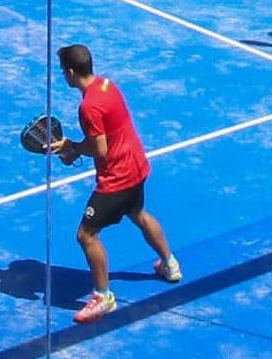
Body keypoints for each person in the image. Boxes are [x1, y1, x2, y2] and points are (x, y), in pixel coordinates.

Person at [48, 44, 181, 325]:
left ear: (71, 72)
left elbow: (100, 148)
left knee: (86, 235)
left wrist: (72, 147)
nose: (63, 75)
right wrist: (75, 149)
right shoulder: (108, 85)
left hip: (116, 180)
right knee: (139, 214)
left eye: (63, 71)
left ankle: (103, 296)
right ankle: (169, 264)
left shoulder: (88, 106)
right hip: (136, 167)